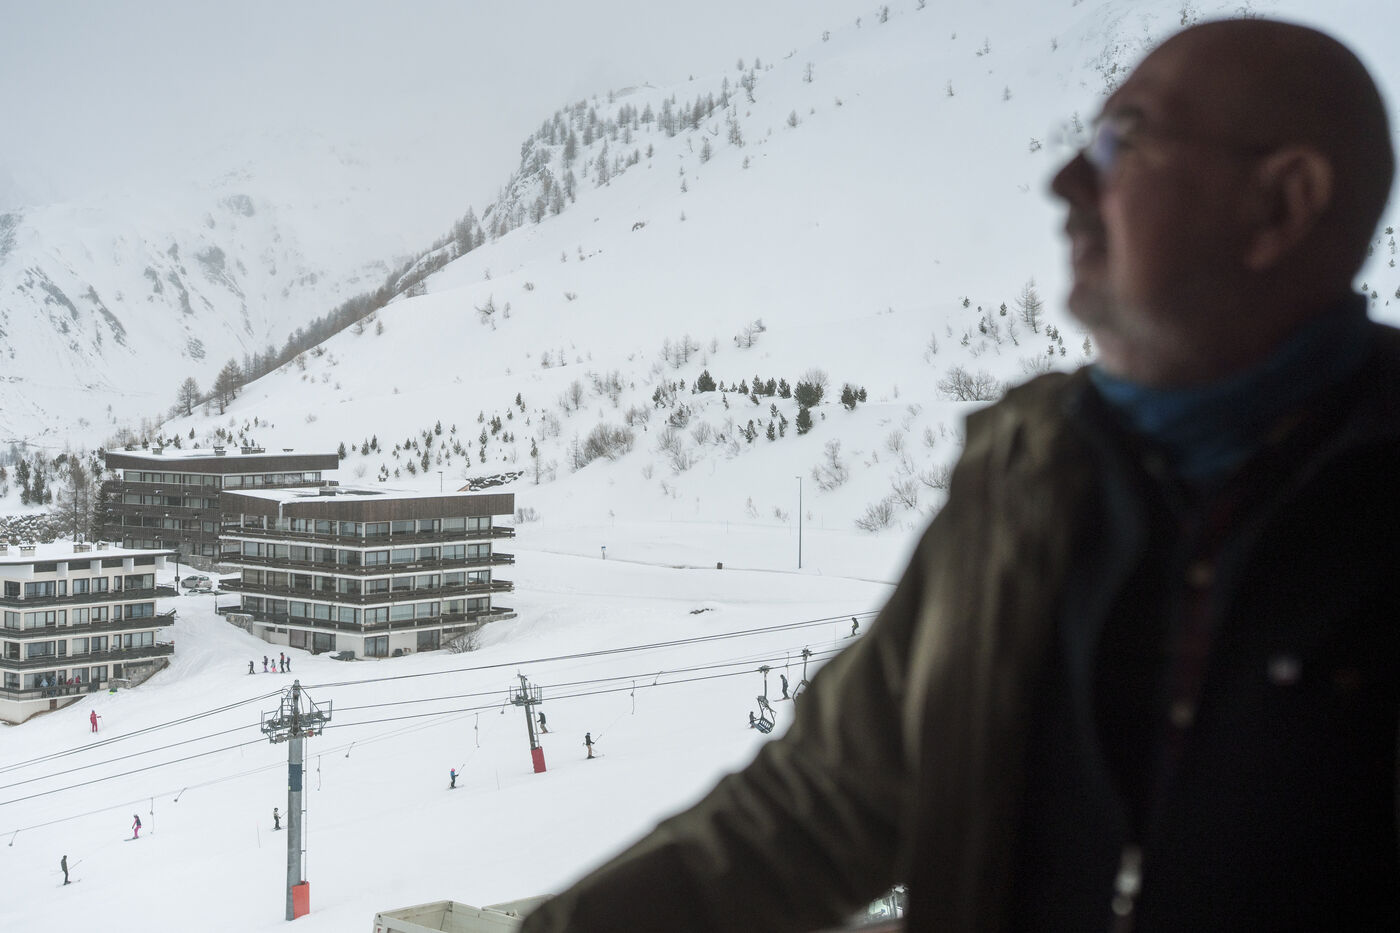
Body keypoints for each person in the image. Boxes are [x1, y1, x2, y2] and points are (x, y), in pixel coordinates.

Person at [520, 19, 1399, 933]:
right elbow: (814, 811)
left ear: (1282, 203)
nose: (1067, 181)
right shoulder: (1022, 482)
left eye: (1125, 142)